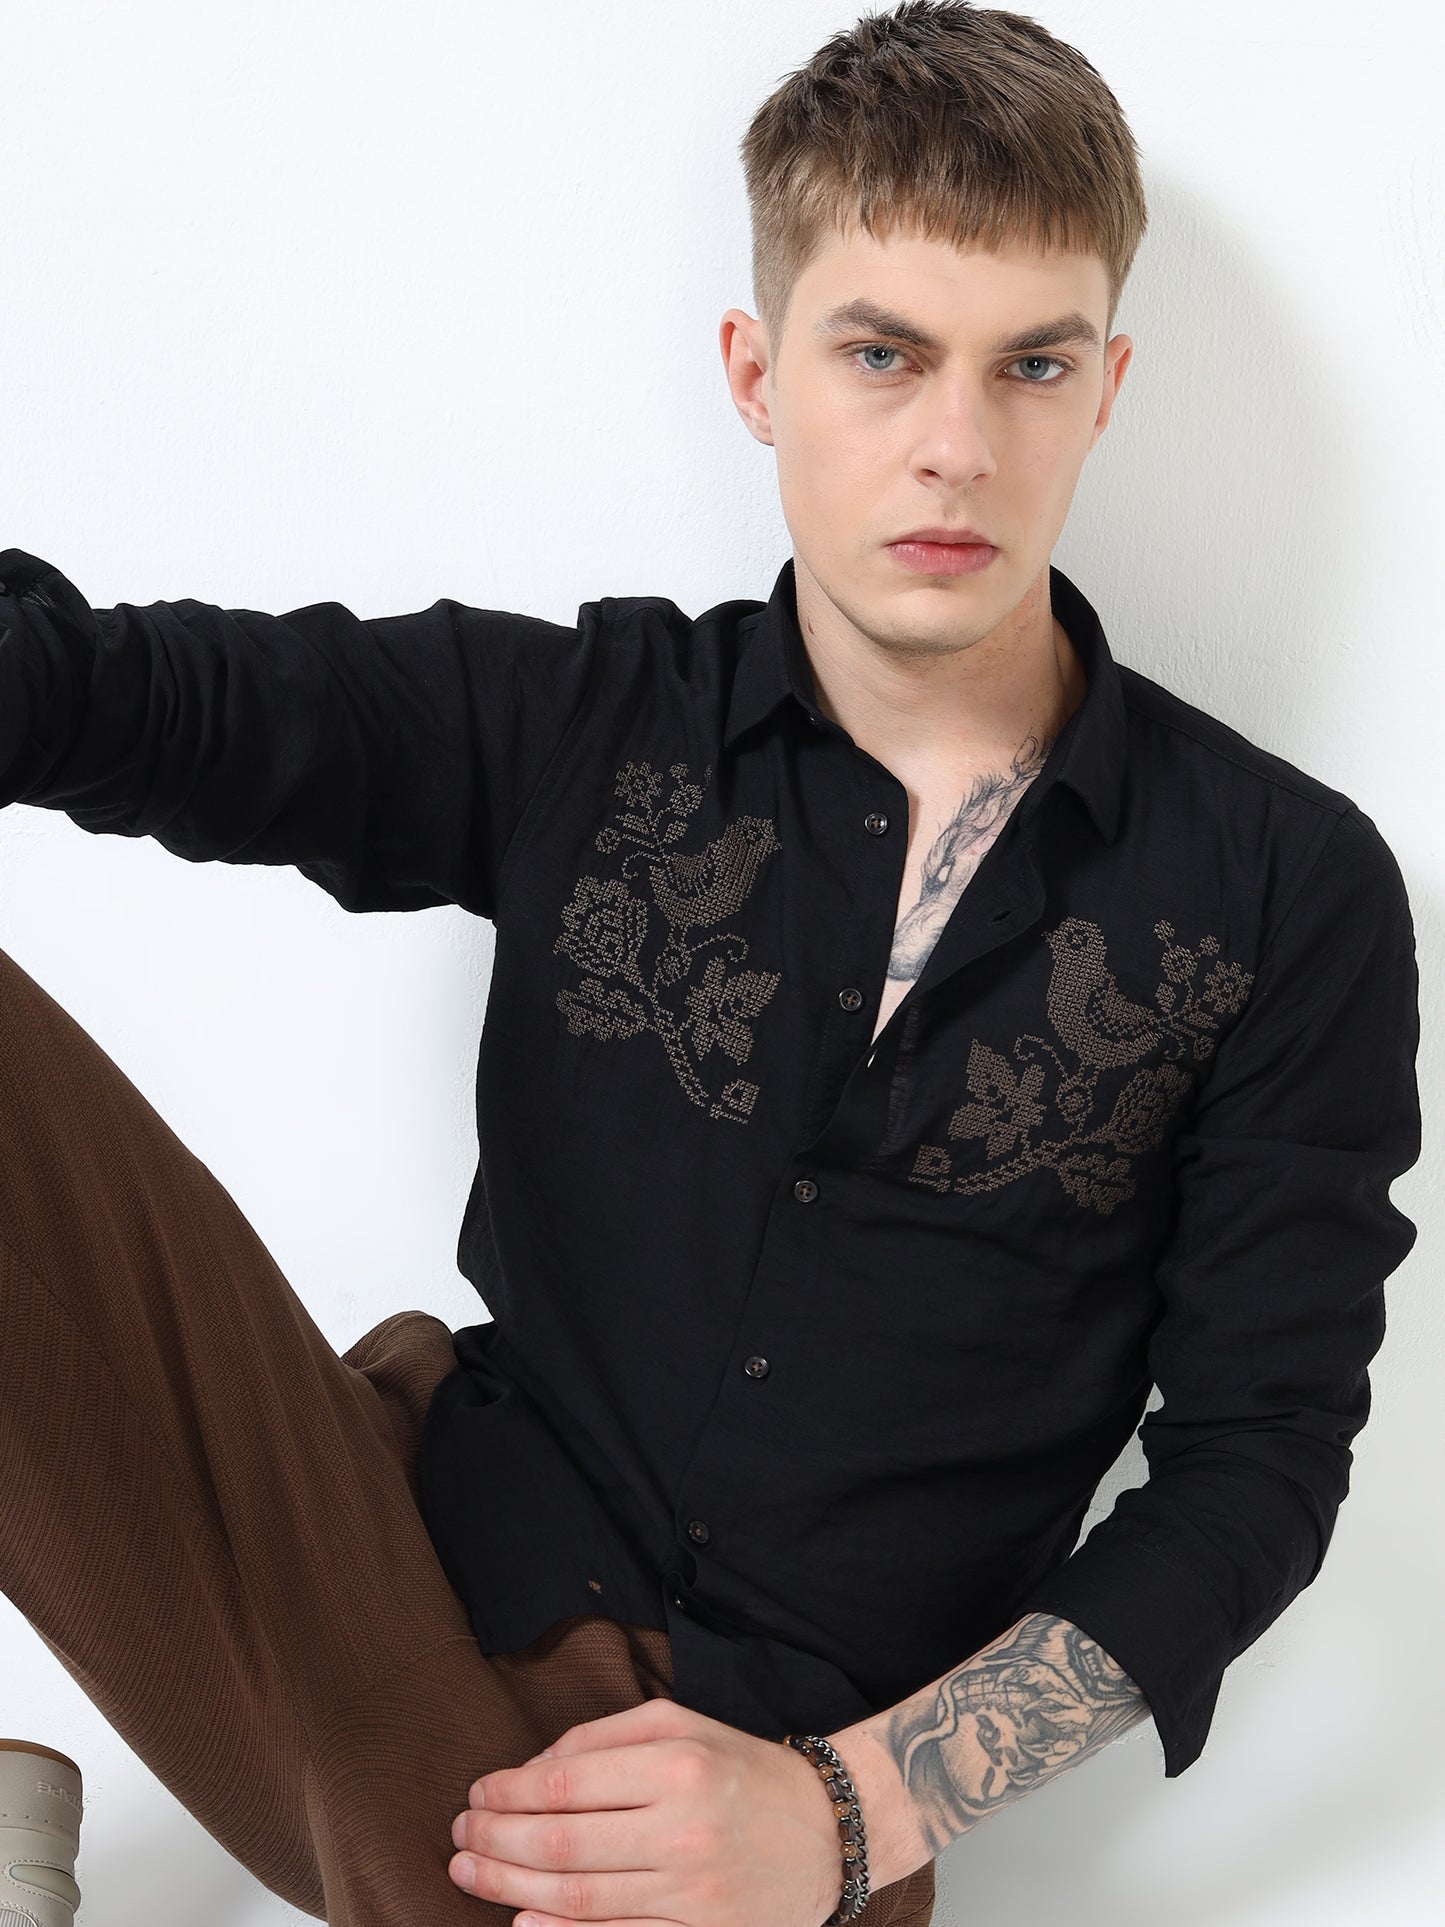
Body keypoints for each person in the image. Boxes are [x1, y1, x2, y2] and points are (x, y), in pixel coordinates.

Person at [0, 4, 1422, 1925]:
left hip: (778, 1801)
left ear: (1107, 387)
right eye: (882, 354)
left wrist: (849, 1815)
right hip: (376, 1574)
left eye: (1030, 366)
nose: (954, 445)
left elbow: (1256, 1470)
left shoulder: (1283, 888)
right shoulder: (584, 718)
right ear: (758, 373)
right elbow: (141, 699)